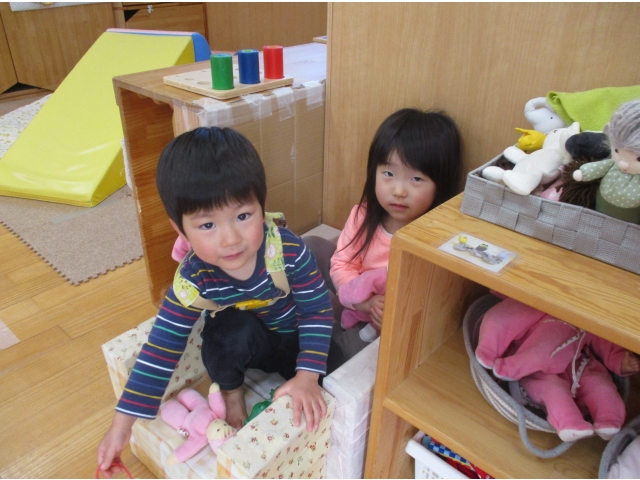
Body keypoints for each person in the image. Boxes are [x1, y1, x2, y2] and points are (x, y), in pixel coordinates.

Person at [97, 127, 335, 477]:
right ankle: (232, 393)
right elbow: (161, 349)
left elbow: (317, 311)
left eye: (243, 216)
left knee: (332, 379)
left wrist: (306, 376)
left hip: (295, 337)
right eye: (207, 225)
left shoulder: (287, 250)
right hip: (249, 341)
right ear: (181, 230)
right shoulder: (193, 280)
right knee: (223, 334)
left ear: (262, 207)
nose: (230, 239)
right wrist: (121, 427)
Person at [309, 108, 463, 357]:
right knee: (311, 246)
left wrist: (381, 312)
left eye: (416, 179)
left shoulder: (435, 239)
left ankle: (330, 335)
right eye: (388, 174)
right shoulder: (363, 214)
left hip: (375, 320)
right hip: (352, 295)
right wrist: (358, 300)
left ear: (440, 185)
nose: (399, 191)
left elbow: (422, 303)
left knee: (348, 352)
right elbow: (342, 263)